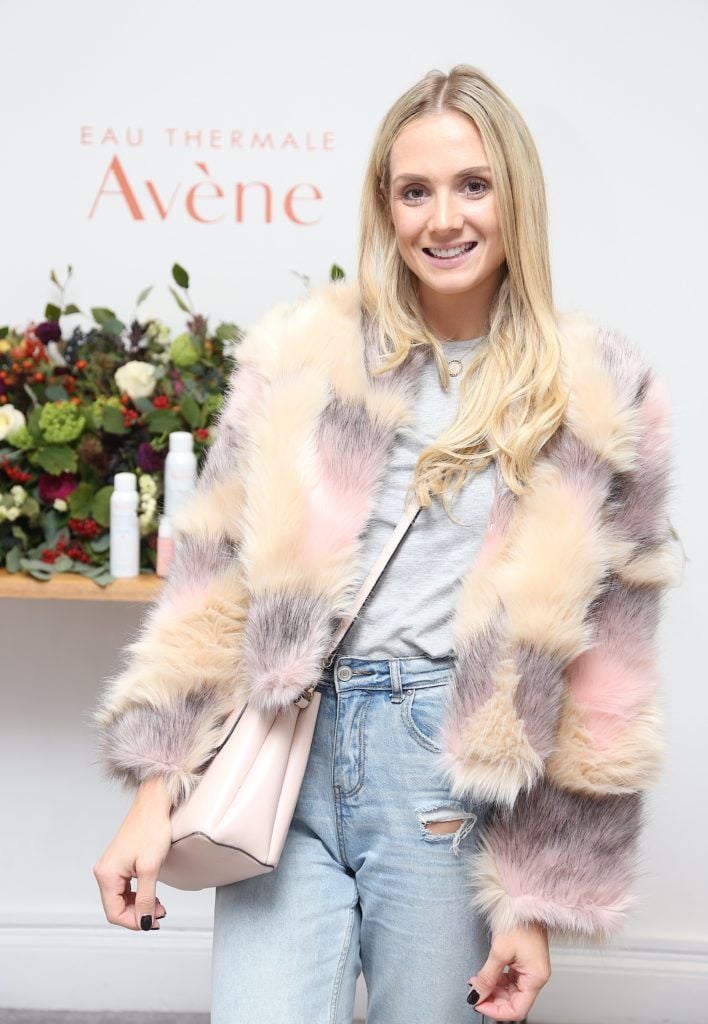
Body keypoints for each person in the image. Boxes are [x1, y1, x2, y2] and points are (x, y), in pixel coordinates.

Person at [91, 64, 684, 1023]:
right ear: (386, 205)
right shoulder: (301, 356)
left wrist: (535, 896)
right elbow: (209, 587)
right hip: (290, 749)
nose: (442, 218)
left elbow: (607, 678)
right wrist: (156, 791)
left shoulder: (598, 393)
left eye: (472, 185)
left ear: (515, 197)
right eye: (415, 191)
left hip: (442, 775)